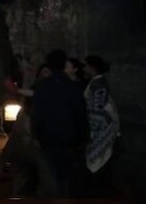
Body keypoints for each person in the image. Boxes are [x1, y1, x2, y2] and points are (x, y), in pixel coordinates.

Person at [30, 50, 88, 198]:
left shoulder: (43, 86)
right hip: (69, 136)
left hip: (48, 136)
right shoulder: (73, 86)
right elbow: (80, 113)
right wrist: (83, 136)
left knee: (51, 175)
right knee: (68, 176)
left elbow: (37, 113)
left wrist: (35, 133)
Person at [2, 64, 52, 197]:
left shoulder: (48, 90)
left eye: (48, 71)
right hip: (28, 128)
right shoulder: (38, 88)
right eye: (43, 71)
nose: (45, 74)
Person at [83, 56, 120, 197]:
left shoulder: (97, 85)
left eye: (86, 66)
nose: (84, 69)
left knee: (99, 163)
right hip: (103, 126)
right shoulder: (97, 83)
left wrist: (93, 130)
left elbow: (97, 109)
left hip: (102, 128)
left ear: (92, 67)